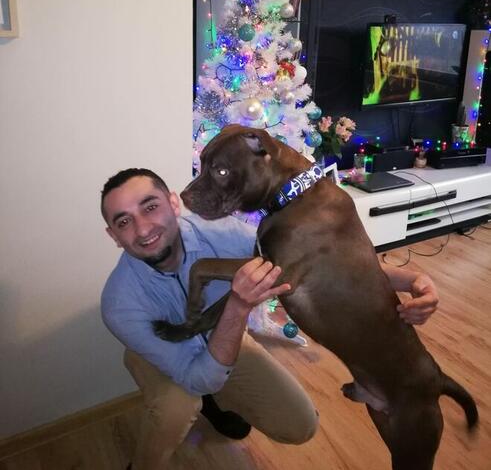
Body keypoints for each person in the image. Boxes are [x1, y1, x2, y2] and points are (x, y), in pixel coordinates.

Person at [101, 168, 439, 470]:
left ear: (174, 203)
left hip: (226, 339)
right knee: (179, 404)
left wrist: (411, 281)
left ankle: (214, 402)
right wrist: (237, 307)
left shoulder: (219, 232)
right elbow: (198, 378)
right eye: (123, 221)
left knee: (300, 425)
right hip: (163, 353)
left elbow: (312, 266)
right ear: (113, 236)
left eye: (150, 207)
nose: (142, 228)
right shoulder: (119, 303)